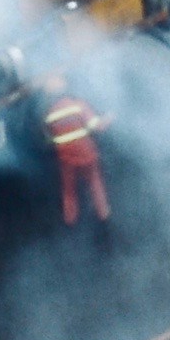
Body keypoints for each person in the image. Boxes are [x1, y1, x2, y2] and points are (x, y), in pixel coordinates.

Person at [41, 74, 111, 229]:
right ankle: (103, 215)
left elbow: (48, 140)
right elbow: (97, 126)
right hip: (86, 155)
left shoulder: (49, 116)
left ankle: (70, 220)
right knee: (95, 183)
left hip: (66, 159)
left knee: (69, 191)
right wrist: (109, 118)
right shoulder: (78, 105)